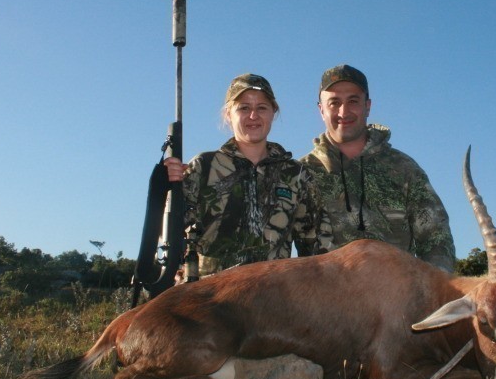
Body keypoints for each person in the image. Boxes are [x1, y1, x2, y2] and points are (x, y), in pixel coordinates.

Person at [165, 73, 330, 279]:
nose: (253, 116)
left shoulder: (296, 174)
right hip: (209, 298)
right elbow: (169, 239)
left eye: (262, 107)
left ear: (273, 112)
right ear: (228, 114)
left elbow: (317, 246)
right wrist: (166, 184)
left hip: (273, 297)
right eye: (244, 108)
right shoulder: (202, 166)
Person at [300, 64, 456, 272]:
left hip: (397, 301)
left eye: (353, 101)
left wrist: (432, 294)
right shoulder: (300, 173)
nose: (343, 111)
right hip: (320, 301)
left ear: (368, 106)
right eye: (334, 103)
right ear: (321, 110)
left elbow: (436, 239)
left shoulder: (404, 169)